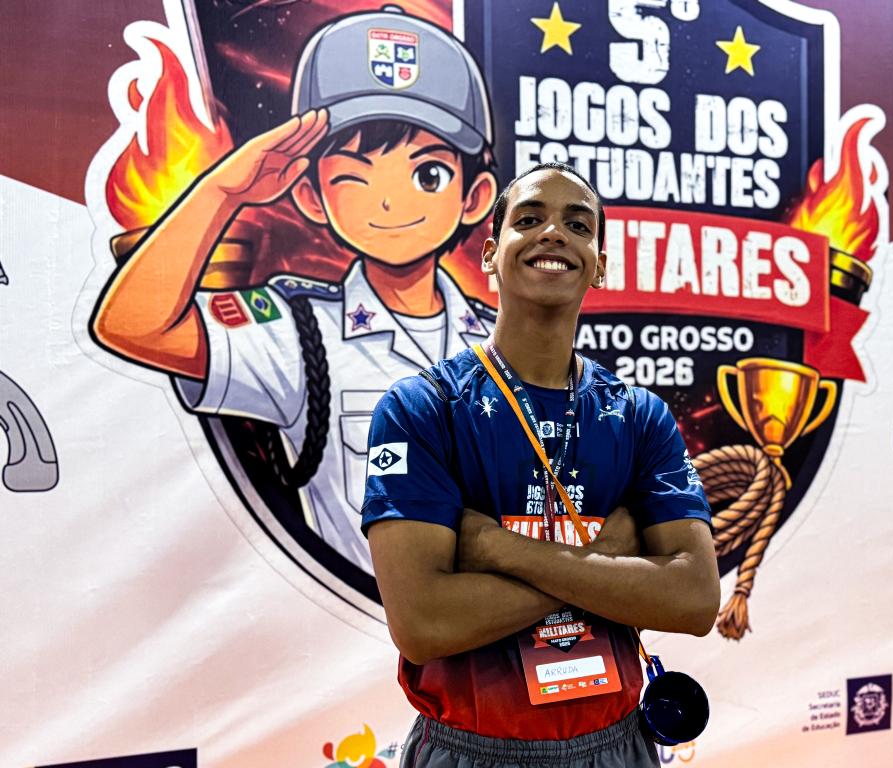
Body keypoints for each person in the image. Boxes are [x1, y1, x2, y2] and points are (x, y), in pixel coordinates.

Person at [91, 8, 498, 572]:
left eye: (428, 175)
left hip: (503, 620)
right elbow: (134, 325)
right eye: (354, 175)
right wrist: (224, 192)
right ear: (312, 197)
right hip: (363, 616)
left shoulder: (503, 343)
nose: (390, 202)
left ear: (475, 197)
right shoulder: (302, 334)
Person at [362, 162, 721, 766]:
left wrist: (499, 549)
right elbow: (424, 624)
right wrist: (606, 558)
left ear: (598, 264)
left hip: (618, 745)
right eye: (529, 219)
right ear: (490, 253)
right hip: (471, 751)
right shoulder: (423, 408)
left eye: (577, 225)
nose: (553, 233)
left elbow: (694, 600)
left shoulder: (639, 416)